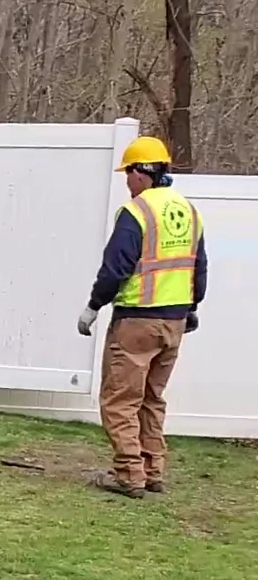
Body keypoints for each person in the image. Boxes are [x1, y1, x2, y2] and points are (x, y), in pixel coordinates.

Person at [78, 135, 206, 498]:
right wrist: (191, 308)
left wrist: (93, 306)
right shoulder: (188, 210)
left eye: (128, 173)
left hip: (137, 321)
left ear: (141, 172)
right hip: (174, 322)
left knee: (120, 400)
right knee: (152, 398)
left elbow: (115, 268)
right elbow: (199, 267)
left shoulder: (137, 212)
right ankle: (153, 471)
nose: (126, 181)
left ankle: (128, 476)